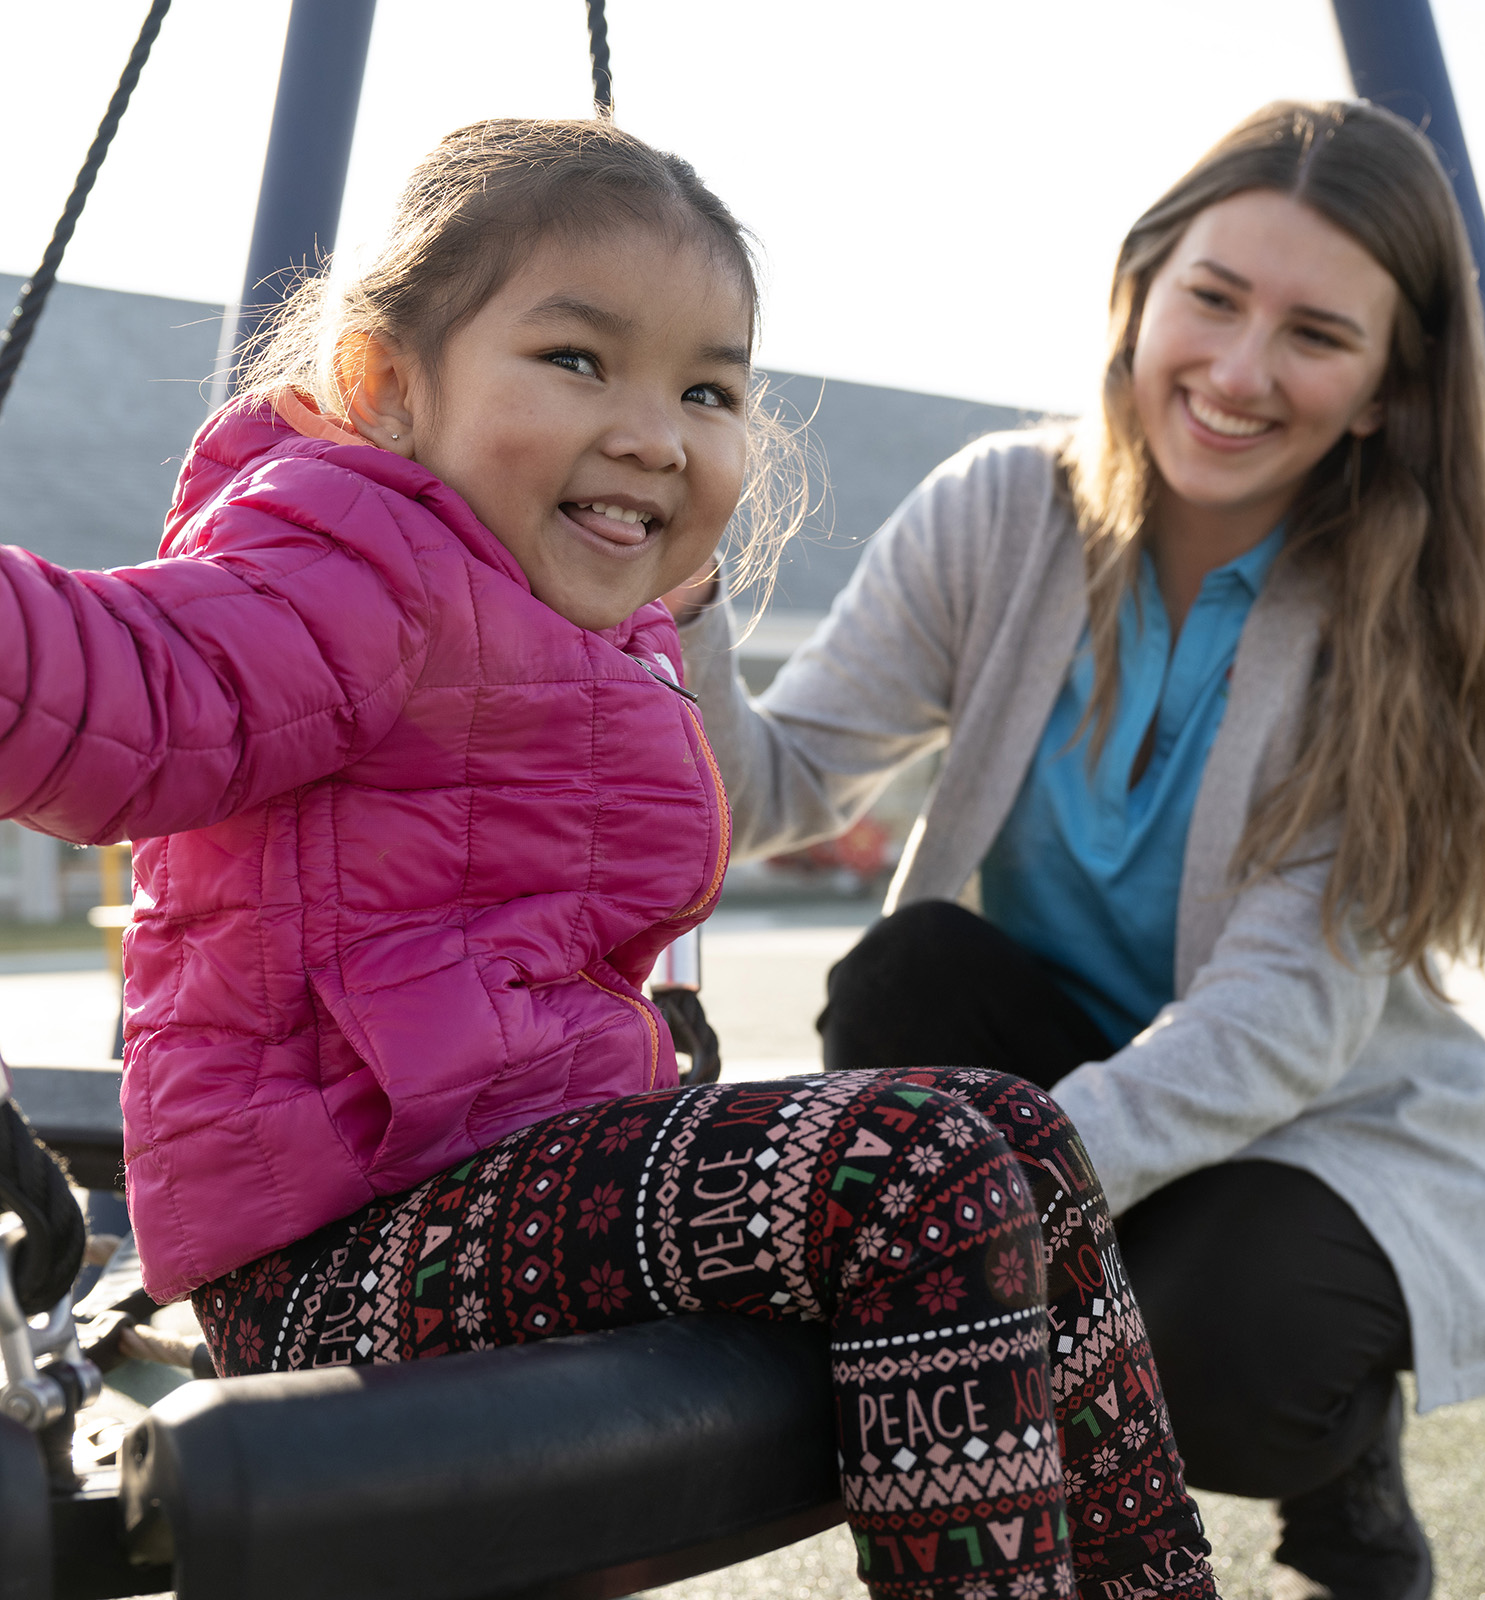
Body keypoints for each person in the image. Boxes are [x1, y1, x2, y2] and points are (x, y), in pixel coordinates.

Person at [0, 120, 1217, 1600]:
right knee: (927, 1161)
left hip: (503, 1196)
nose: (655, 429)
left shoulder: (584, 618)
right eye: (578, 361)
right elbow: (130, 688)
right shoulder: (344, 560)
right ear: (383, 385)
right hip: (337, 1258)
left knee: (1020, 1140)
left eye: (707, 390)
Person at [670, 101, 1485, 1600]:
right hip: (1054, 1048)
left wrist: (984, 1194)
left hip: (1308, 1120)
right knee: (909, 973)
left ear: (1387, 390)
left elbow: (1275, 1024)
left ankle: (1348, 1467)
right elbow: (777, 787)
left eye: (1315, 334)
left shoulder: (1400, 625)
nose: (1239, 371)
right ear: (1140, 288)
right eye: (1213, 298)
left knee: (1228, 1366)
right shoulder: (1002, 508)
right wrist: (678, 580)